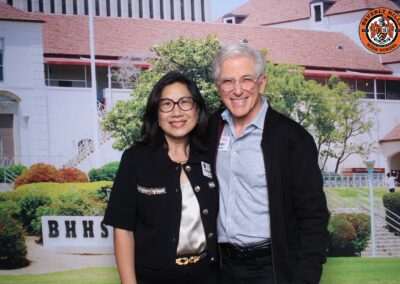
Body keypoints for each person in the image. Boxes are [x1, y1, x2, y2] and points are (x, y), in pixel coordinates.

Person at [207, 44, 330, 284]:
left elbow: (314, 217)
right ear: (218, 88)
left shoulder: (293, 139)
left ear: (262, 83)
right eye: (228, 81)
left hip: (270, 268)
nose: (238, 90)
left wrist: (305, 277)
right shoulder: (212, 128)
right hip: (222, 268)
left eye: (246, 80)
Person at [103, 71, 219, 284]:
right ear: (156, 113)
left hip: (208, 275)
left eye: (185, 102)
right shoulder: (135, 160)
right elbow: (123, 230)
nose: (176, 112)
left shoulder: (212, 155)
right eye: (166, 104)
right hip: (153, 277)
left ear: (197, 109)